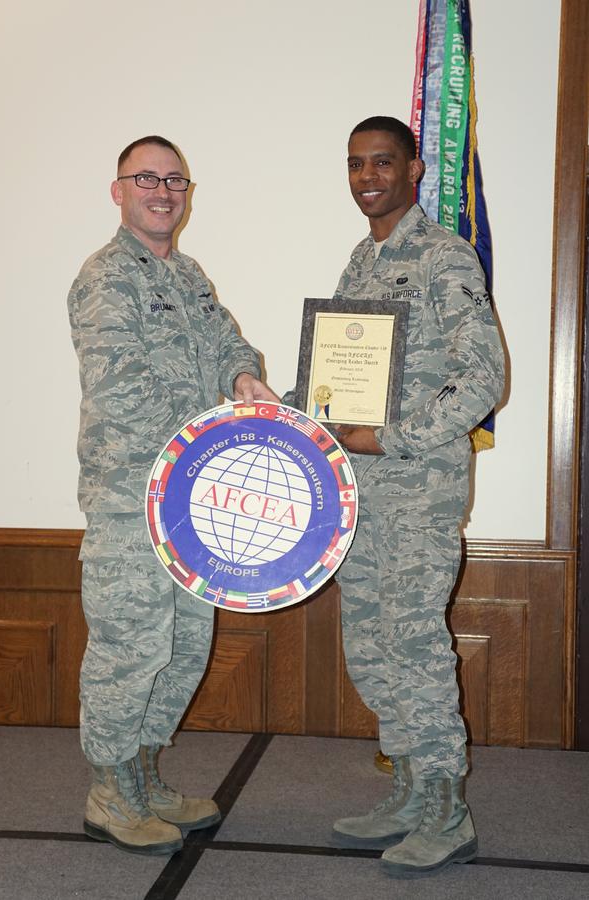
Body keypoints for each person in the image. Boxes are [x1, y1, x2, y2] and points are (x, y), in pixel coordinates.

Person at [68, 135, 278, 856]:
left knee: (184, 645)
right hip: (132, 500)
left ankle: (144, 775)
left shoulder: (186, 276)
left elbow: (227, 344)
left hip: (191, 502)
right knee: (131, 649)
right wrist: (218, 433)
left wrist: (245, 379)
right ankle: (109, 790)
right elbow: (122, 389)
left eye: (176, 180)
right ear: (118, 190)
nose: (163, 191)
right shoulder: (106, 279)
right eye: (147, 178)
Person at [330, 117, 505, 877]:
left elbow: (485, 376)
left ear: (414, 168)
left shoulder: (443, 256)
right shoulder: (358, 263)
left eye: (383, 162)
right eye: (356, 164)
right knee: (370, 644)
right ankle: (406, 790)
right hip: (358, 498)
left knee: (413, 643)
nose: (368, 176)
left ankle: (446, 808)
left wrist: (390, 438)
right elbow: (342, 381)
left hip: (419, 495)